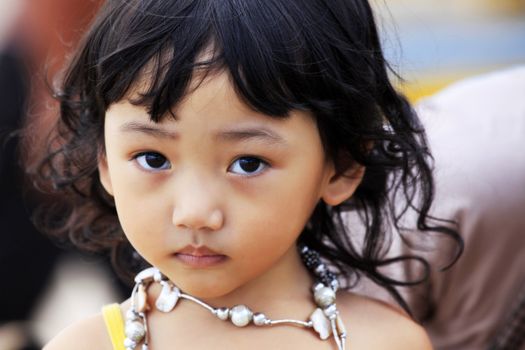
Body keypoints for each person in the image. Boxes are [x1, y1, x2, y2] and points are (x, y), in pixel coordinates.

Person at [36, 0, 460, 349]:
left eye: (248, 163)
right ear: (105, 160)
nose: (195, 213)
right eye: (152, 158)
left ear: (342, 165)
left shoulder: (385, 343)